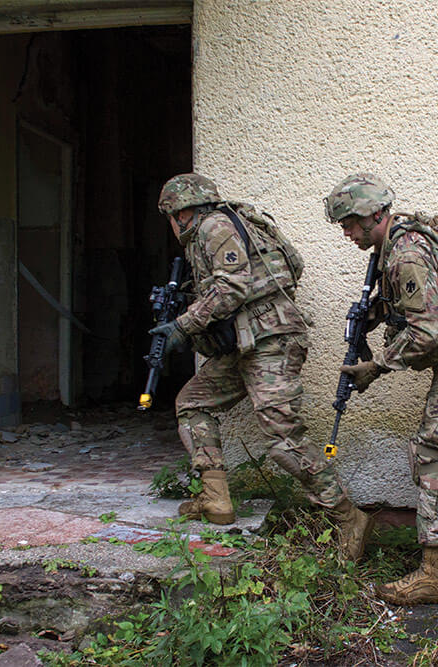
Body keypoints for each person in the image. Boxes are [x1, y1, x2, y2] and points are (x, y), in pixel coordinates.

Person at [150, 173, 372, 560]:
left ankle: (348, 516)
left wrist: (182, 327)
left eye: (170, 217)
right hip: (244, 343)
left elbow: (233, 286)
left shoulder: (214, 227)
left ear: (181, 212)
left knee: (283, 440)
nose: (171, 226)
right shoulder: (223, 228)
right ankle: (216, 498)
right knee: (193, 404)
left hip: (270, 343)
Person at [326, 173, 438, 605]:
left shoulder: (405, 254)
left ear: (374, 216)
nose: (347, 233)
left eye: (350, 223)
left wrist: (378, 366)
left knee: (431, 451)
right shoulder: (412, 232)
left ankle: (435, 573)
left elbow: (429, 333)